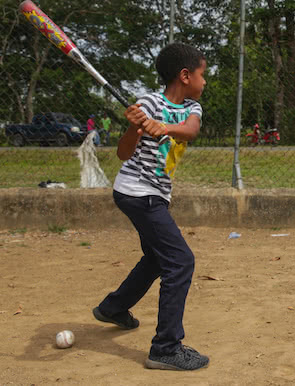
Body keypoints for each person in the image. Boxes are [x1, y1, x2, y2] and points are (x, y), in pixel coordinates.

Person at [92, 42, 209, 370]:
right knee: (181, 261)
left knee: (159, 259)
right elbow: (123, 154)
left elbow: (190, 131)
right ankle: (166, 347)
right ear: (185, 75)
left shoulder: (191, 109)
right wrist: (135, 126)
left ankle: (114, 308)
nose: (205, 82)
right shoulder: (147, 104)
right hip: (135, 192)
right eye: (203, 75)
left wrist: (165, 127)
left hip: (154, 194)